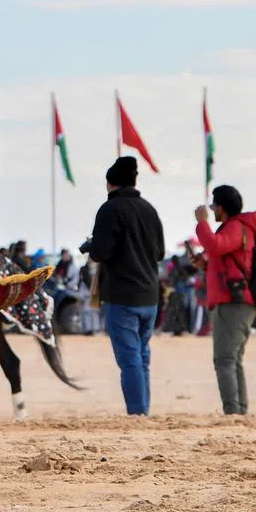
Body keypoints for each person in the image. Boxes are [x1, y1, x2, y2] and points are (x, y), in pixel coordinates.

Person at [87, 156, 165, 416]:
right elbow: (161, 252)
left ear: (110, 183)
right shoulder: (149, 209)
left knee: (129, 357)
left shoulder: (109, 210)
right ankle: (143, 410)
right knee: (142, 356)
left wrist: (91, 245)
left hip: (122, 295)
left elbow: (100, 252)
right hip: (150, 295)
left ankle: (137, 413)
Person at [193, 185, 256, 415]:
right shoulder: (239, 228)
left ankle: (233, 411)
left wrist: (201, 222)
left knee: (224, 360)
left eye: (214, 207)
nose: (212, 211)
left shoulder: (236, 227)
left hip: (233, 304)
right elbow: (225, 258)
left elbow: (215, 245)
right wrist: (204, 266)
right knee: (233, 360)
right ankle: (238, 411)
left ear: (221, 208)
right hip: (235, 301)